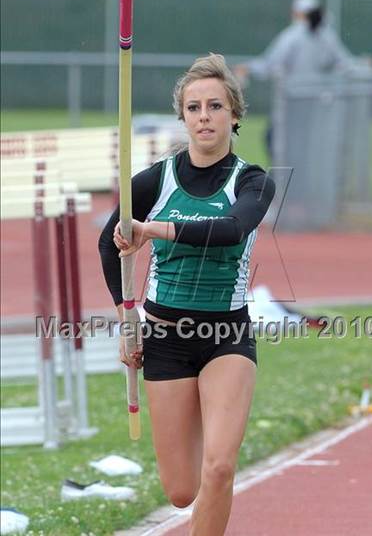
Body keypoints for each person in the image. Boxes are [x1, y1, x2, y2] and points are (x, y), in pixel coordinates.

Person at [98, 53, 275, 536]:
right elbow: (109, 237)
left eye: (215, 106)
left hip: (226, 336)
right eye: (194, 107)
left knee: (219, 467)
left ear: (234, 115)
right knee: (181, 490)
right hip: (165, 340)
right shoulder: (156, 179)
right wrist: (126, 317)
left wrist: (152, 229)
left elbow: (232, 229)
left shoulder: (253, 181)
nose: (204, 117)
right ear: (183, 116)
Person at [234, 0, 359, 160]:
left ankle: (287, 177)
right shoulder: (327, 36)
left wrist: (248, 67)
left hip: (291, 102)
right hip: (317, 103)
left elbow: (270, 64)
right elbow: (345, 63)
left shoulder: (293, 36)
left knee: (278, 142)